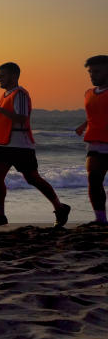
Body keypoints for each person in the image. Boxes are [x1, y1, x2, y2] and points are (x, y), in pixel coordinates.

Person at [0, 62, 70, 228]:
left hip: (21, 144)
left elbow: (22, 117)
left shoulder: (20, 93)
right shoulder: (6, 95)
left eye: (2, 75)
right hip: (3, 144)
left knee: (32, 179)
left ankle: (60, 207)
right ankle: (0, 215)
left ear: (13, 76)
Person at [76, 55, 108, 225]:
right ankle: (101, 219)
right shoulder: (89, 93)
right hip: (95, 143)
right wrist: (83, 125)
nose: (93, 75)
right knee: (94, 181)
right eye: (90, 72)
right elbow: (96, 114)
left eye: (97, 71)